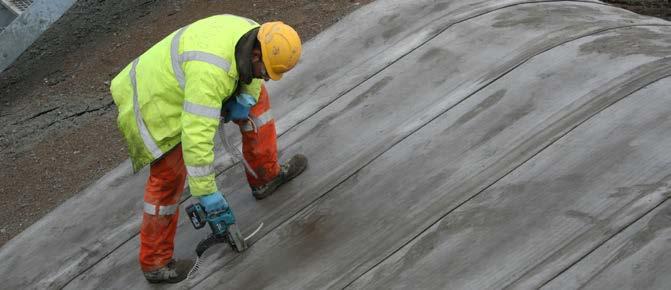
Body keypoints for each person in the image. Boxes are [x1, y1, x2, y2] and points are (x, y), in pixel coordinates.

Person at [109, 14, 308, 283]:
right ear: (256, 55)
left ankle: (265, 176)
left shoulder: (254, 33)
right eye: (266, 72)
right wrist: (207, 194)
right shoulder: (209, 76)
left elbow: (252, 75)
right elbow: (197, 138)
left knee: (257, 102)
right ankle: (155, 262)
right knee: (169, 175)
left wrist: (246, 95)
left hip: (182, 78)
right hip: (153, 102)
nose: (268, 78)